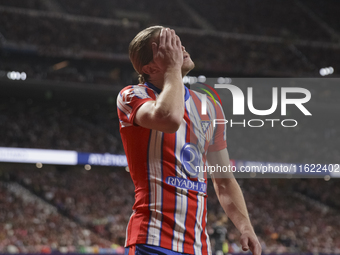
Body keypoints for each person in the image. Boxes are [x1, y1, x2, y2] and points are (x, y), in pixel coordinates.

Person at [117, 26, 261, 255]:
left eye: (178, 42)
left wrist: (246, 226)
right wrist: (173, 68)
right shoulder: (133, 95)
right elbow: (169, 119)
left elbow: (224, 180)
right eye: (168, 46)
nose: (180, 48)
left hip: (198, 247)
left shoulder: (210, 105)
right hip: (152, 240)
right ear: (149, 67)